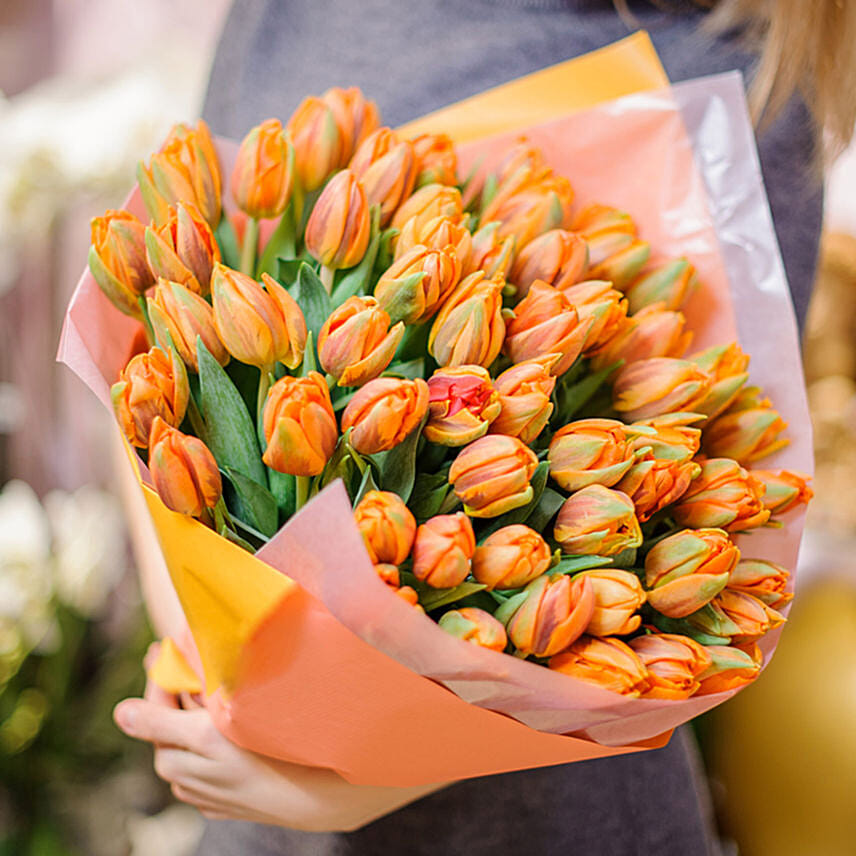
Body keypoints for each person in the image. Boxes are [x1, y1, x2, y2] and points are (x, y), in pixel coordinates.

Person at [113, 1, 856, 853]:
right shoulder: (298, 11)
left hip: (558, 823)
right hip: (253, 815)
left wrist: (373, 768)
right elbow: (156, 345)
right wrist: (204, 649)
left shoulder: (751, 70)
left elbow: (713, 494)